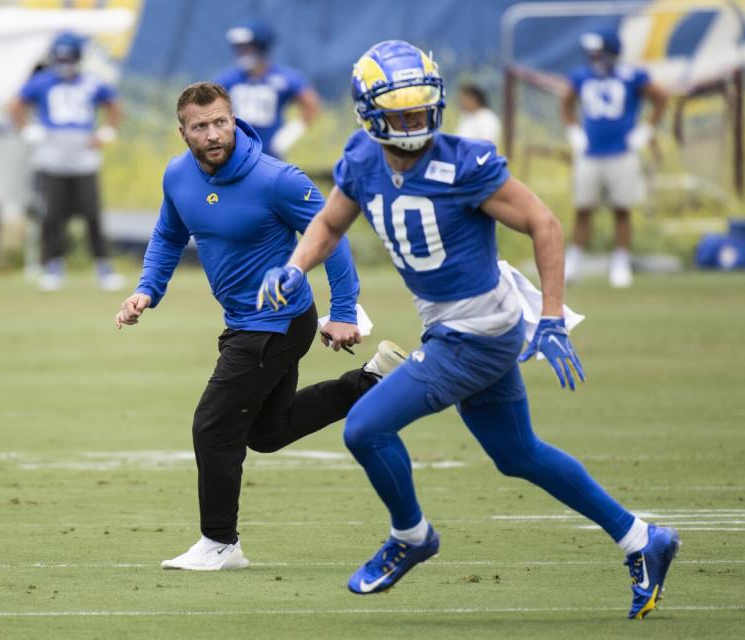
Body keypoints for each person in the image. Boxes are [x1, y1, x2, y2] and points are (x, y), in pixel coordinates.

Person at [259, 40, 679, 620]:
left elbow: (544, 223)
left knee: (365, 428)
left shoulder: (464, 162)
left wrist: (553, 315)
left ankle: (411, 536)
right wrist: (294, 265)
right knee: (518, 454)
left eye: (419, 108)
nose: (412, 121)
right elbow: (329, 224)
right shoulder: (360, 159)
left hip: (476, 333)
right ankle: (642, 539)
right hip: (456, 326)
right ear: (370, 114)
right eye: (399, 110)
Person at [115, 81, 405, 571]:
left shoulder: (277, 179)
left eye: (221, 122)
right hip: (245, 322)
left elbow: (331, 237)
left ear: (234, 120)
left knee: (213, 426)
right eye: (200, 126)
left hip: (276, 322)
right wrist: (147, 290)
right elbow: (168, 234)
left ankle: (220, 544)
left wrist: (345, 311)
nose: (213, 134)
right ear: (183, 132)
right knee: (269, 431)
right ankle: (373, 381)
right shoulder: (177, 176)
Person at [11, 31, 125, 292]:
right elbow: (16, 105)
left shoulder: (92, 83)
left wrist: (106, 132)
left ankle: (103, 267)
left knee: (92, 215)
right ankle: (53, 266)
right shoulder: (42, 82)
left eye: (69, 58)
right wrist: (27, 129)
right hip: (52, 159)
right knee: (52, 216)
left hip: (84, 159)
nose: (64, 63)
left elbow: (114, 105)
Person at [561, 29, 667, 288]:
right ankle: (574, 262)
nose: (594, 56)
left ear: (611, 52)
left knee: (622, 209)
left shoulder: (632, 75)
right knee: (583, 209)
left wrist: (646, 130)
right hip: (590, 152)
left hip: (622, 151)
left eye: (599, 51)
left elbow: (661, 98)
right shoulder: (582, 76)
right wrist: (574, 129)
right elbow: (566, 101)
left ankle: (621, 262)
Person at [216, 19, 320, 159]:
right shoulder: (228, 79)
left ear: (261, 46)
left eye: (247, 47)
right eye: (239, 47)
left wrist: (289, 135)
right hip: (236, 152)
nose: (242, 52)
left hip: (270, 155)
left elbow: (311, 104)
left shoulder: (283, 77)